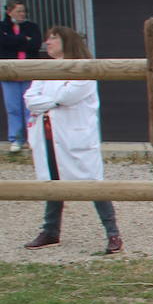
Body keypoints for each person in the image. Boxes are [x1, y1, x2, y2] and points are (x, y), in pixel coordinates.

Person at [21, 26, 122, 254]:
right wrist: (53, 101)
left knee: (92, 183)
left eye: (53, 38)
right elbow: (30, 99)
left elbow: (68, 96)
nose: (48, 42)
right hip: (48, 134)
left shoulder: (83, 68)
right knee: (53, 182)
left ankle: (113, 232)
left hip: (74, 136)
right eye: (48, 38)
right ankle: (50, 230)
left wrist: (50, 100)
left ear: (67, 41)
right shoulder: (44, 68)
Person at [2, 0, 42, 152]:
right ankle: (16, 139)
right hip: (9, 72)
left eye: (23, 11)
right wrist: (22, 40)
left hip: (29, 71)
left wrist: (14, 41)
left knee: (29, 106)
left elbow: (35, 44)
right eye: (18, 11)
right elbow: (3, 44)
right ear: (9, 11)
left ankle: (32, 138)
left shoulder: (32, 27)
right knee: (13, 107)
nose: (22, 14)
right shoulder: (2, 27)